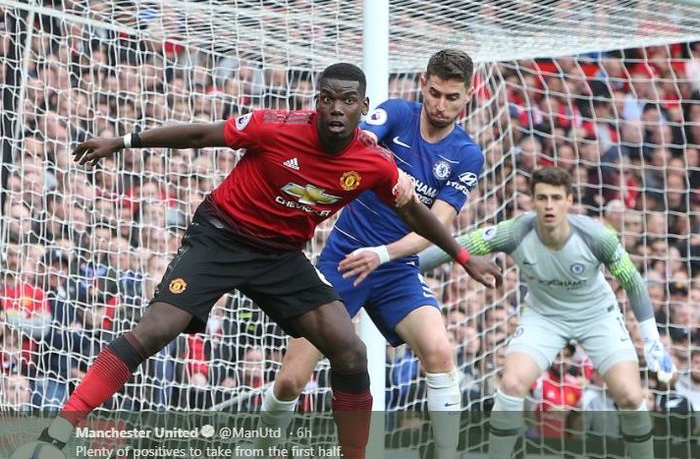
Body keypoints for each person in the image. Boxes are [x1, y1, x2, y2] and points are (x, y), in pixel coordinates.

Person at [34, 63, 500, 459]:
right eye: (328, 99)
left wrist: (463, 257)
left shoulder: (373, 163)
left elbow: (417, 214)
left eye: (347, 101)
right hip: (220, 237)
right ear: (317, 102)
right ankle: (56, 436)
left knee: (350, 350)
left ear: (363, 106)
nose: (336, 109)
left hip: (280, 256)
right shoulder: (276, 127)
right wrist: (124, 141)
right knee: (156, 329)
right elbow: (201, 133)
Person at [258, 50, 493, 459]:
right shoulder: (397, 115)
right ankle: (262, 447)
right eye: (435, 93)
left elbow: (433, 228)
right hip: (343, 260)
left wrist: (382, 255)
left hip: (395, 267)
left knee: (439, 351)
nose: (440, 105)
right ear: (423, 84)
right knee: (291, 381)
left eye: (452, 97)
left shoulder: (466, 154)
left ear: (467, 96)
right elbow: (352, 142)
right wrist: (386, 164)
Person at [418, 166, 675, 459]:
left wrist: (651, 337)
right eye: (542, 198)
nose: (549, 205)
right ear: (532, 200)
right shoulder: (515, 231)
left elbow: (633, 282)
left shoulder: (596, 236)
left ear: (569, 200)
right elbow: (457, 246)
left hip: (597, 317)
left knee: (631, 396)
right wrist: (406, 264)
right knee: (512, 384)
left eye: (556, 198)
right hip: (544, 316)